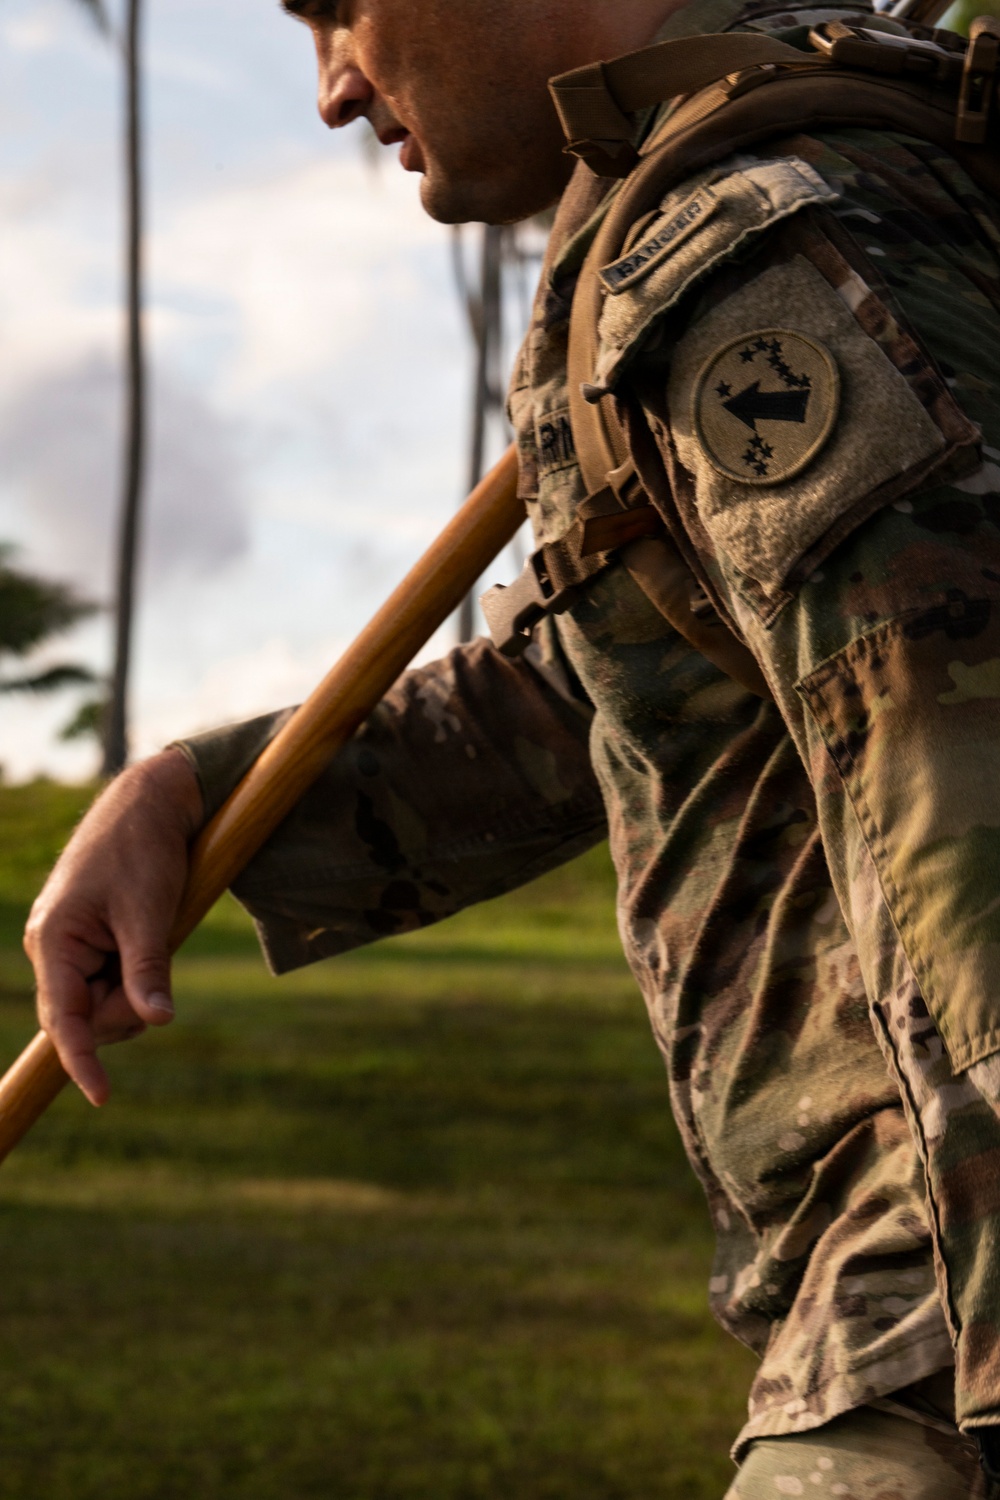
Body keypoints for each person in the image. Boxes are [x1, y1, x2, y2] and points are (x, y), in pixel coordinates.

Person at [24, 0, 1000, 1492]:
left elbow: (959, 791)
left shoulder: (758, 254)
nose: (335, 94)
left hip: (940, 1316)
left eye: (339, 9)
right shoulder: (703, 192)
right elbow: (639, 675)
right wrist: (196, 799)